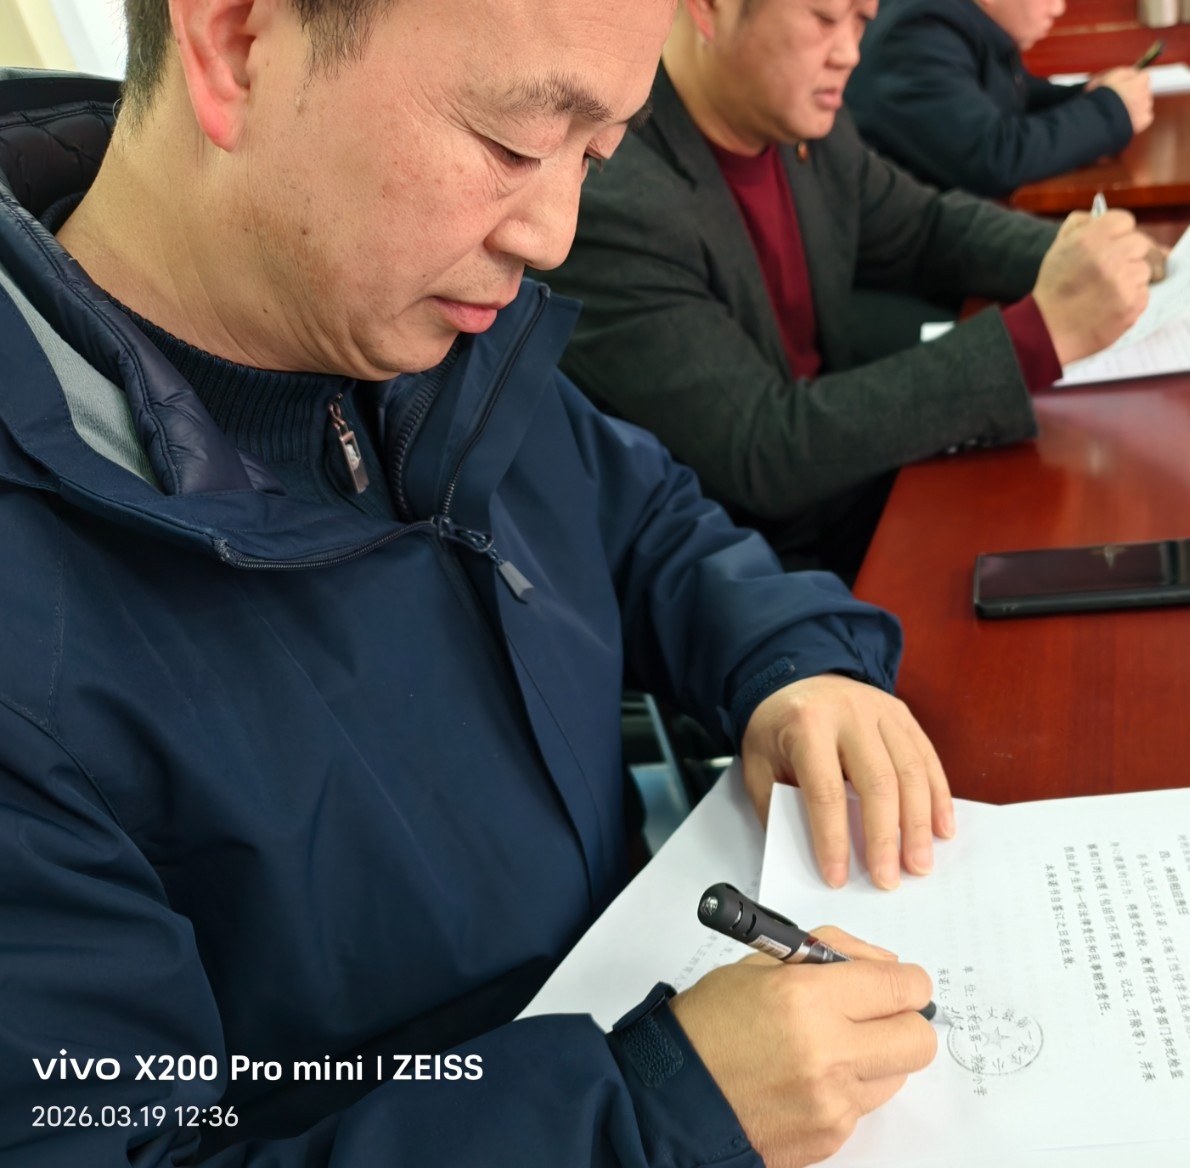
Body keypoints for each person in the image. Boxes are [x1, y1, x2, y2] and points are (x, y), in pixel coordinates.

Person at [0, 0, 961, 1163]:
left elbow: (642, 515)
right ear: (237, 41)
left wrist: (787, 662)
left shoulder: (418, 327)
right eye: (515, 142)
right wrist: (641, 1120)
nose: (554, 233)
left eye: (594, 153)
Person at [547, 0, 1160, 578]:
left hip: (842, 494)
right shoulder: (614, 197)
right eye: (823, 18)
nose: (850, 53)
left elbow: (926, 229)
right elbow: (763, 448)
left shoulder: (804, 127)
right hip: (746, 571)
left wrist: (1078, 257)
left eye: (862, 20)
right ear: (709, 8)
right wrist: (1040, 334)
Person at [846, 0, 1155, 196]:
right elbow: (992, 158)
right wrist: (1111, 111)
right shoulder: (920, 33)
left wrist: (1089, 94)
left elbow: (1016, 99)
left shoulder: (959, 22)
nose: (1059, 8)